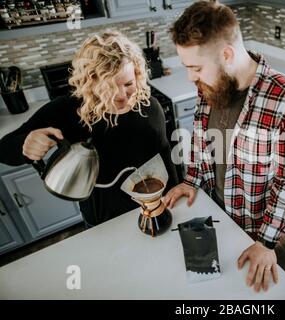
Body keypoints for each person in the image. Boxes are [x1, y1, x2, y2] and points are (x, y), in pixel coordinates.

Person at [163, 1, 285, 292]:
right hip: (208, 210)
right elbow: (200, 140)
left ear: (227, 54)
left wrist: (267, 243)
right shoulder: (210, 83)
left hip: (252, 229)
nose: (191, 77)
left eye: (195, 68)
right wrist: (192, 181)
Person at [0, 30, 178, 227]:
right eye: (109, 87)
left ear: (138, 74)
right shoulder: (67, 110)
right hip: (104, 219)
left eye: (128, 83)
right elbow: (3, 149)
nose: (121, 95)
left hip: (154, 207)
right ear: (90, 82)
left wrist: (175, 192)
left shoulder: (150, 106)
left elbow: (164, 152)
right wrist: (25, 144)